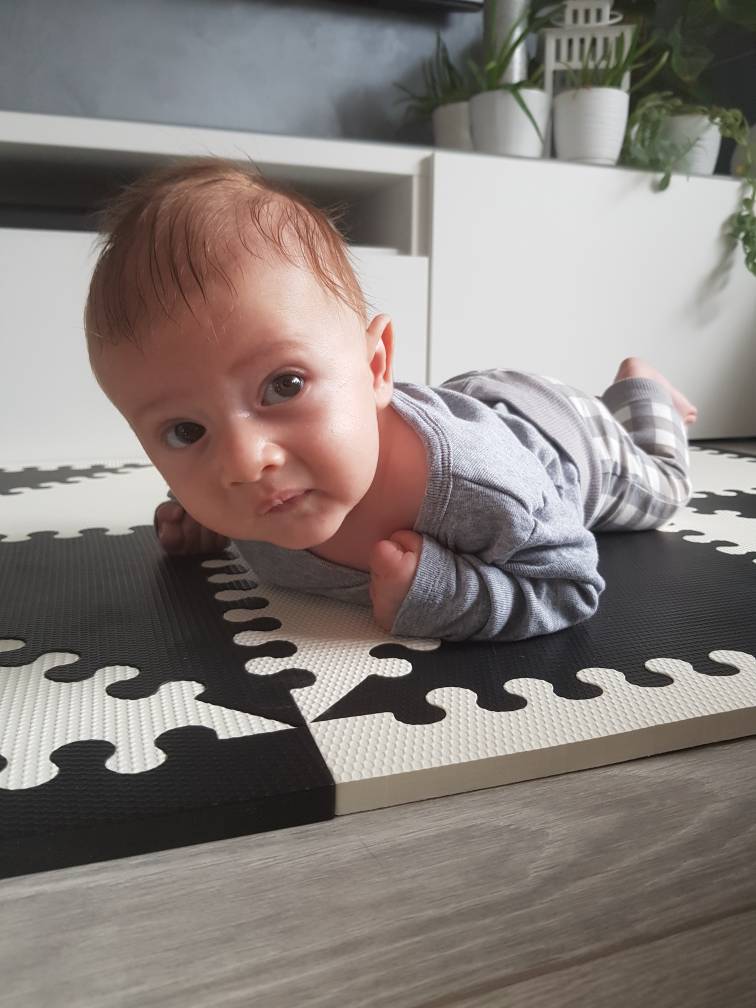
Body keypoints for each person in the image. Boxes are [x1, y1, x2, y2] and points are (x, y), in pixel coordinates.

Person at [85, 158, 695, 642]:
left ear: (375, 365)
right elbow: (207, 477)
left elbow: (571, 585)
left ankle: (641, 386)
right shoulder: (243, 486)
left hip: (564, 434)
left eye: (284, 386)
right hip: (459, 401)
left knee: (666, 488)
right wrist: (200, 520)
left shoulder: (480, 490)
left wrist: (447, 595)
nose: (245, 462)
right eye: (187, 432)